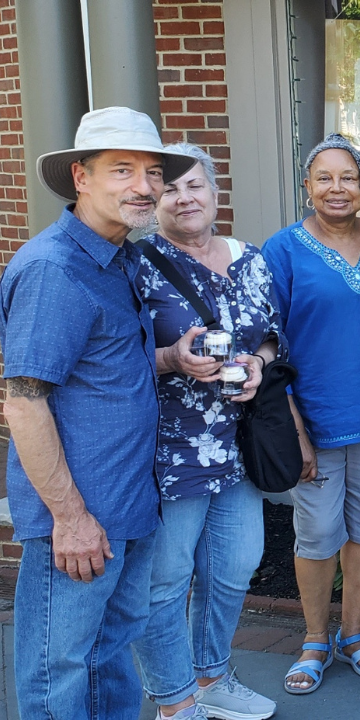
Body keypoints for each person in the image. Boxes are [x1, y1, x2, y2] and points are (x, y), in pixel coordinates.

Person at [0, 107, 196, 719]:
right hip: (82, 520)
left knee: (108, 655)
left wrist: (171, 358)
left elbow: (103, 368)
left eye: (153, 171)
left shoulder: (120, 258)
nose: (143, 185)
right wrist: (71, 517)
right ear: (81, 178)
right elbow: (23, 401)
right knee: (59, 667)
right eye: (122, 170)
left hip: (128, 503)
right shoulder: (55, 269)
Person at [130, 144, 281, 720]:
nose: (183, 197)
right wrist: (171, 358)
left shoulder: (251, 258)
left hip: (239, 444)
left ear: (215, 191)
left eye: (194, 185)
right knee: (165, 580)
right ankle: (174, 700)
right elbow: (116, 357)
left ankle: (212, 675)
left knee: (235, 566)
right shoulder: (137, 264)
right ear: (152, 200)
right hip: (170, 451)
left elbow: (271, 333)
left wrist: (259, 365)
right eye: (169, 189)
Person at [262, 133, 360, 695]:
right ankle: (314, 639)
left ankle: (354, 635)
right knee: (319, 530)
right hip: (315, 419)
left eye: (348, 177)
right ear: (307, 187)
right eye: (323, 178)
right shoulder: (283, 249)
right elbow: (267, 345)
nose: (336, 188)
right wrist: (293, 426)